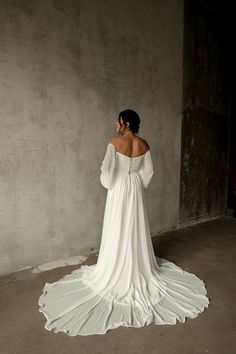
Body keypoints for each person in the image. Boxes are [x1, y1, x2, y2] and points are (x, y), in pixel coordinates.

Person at [38, 109, 210, 336]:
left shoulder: (114, 142)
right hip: (135, 190)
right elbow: (148, 172)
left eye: (118, 121)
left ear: (125, 123)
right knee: (134, 227)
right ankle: (136, 264)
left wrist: (111, 181)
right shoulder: (144, 144)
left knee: (117, 227)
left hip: (119, 190)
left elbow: (107, 172)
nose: (116, 124)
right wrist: (136, 181)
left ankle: (116, 263)